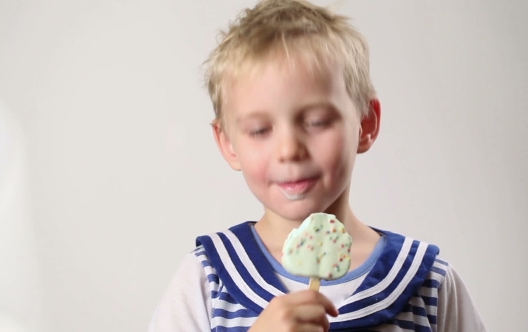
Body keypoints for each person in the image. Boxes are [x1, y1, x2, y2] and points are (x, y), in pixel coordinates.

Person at [148, 0, 487, 331]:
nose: (289, 149)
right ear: (228, 143)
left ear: (365, 123)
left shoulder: (427, 281)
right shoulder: (207, 280)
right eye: (260, 130)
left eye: (316, 121)